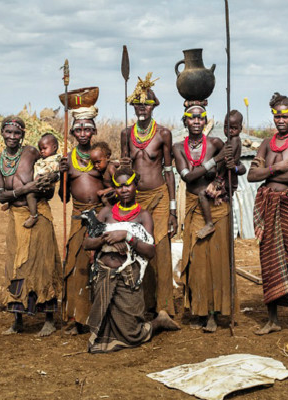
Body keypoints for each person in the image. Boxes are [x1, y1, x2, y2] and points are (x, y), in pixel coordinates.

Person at [84, 168, 180, 353]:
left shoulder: (143, 216)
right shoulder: (105, 213)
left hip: (128, 278)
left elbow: (150, 251)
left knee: (131, 334)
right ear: (115, 189)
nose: (124, 189)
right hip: (104, 275)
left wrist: (127, 236)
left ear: (136, 185)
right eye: (119, 186)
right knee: (99, 330)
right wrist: (106, 238)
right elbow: (87, 243)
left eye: (128, 184)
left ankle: (158, 322)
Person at [247, 93, 288, 341]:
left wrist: (267, 174)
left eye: (285, 115)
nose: (280, 120)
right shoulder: (266, 143)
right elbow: (251, 176)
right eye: (276, 115)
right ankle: (272, 320)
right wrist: (277, 169)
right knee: (269, 261)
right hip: (268, 206)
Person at [0, 116, 62, 337]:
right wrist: (24, 190)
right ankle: (17, 320)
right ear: (2, 133)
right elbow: (1, 196)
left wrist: (43, 183)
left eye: (16, 133)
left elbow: (49, 189)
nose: (12, 137)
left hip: (39, 214)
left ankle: (49, 319)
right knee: (17, 266)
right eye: (8, 132)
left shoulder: (32, 152)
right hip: (17, 217)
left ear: (22, 135)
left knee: (43, 263)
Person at [173, 104, 235, 333]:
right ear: (185, 121)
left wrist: (218, 182)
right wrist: (213, 161)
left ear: (206, 121)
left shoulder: (217, 143)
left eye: (201, 118)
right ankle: (199, 309)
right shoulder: (178, 148)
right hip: (194, 206)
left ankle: (215, 313)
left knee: (217, 262)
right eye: (192, 118)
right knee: (197, 260)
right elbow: (188, 176)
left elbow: (228, 169)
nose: (196, 121)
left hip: (217, 208)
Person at [120, 73, 178, 318]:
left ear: (154, 106)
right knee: (138, 249)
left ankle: (164, 307)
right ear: (132, 107)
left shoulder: (163, 134)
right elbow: (124, 173)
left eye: (146, 103)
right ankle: (142, 305)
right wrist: (122, 165)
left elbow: (169, 171)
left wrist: (173, 209)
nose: (142, 107)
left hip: (160, 197)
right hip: (136, 200)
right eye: (137, 103)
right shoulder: (126, 134)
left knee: (161, 248)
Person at [58, 107, 105, 335]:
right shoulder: (68, 159)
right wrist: (62, 175)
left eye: (88, 128)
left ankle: (101, 316)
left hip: (100, 216)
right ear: (72, 133)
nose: (83, 132)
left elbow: (111, 185)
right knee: (77, 266)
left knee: (100, 264)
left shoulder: (100, 157)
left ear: (94, 130)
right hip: (78, 216)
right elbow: (63, 197)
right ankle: (77, 318)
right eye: (79, 129)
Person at [196, 110, 246, 239]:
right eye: (226, 127)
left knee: (202, 194)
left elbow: (226, 162)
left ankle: (209, 223)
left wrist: (218, 179)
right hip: (226, 178)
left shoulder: (234, 141)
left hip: (226, 179)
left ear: (241, 128)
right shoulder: (231, 141)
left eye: (234, 128)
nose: (230, 131)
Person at [22, 133, 61, 228]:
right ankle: (13, 201)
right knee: (24, 186)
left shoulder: (55, 160)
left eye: (44, 148)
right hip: (37, 183)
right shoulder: (43, 159)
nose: (42, 151)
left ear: (54, 147)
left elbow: (54, 172)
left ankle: (34, 216)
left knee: (30, 194)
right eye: (40, 149)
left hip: (45, 186)